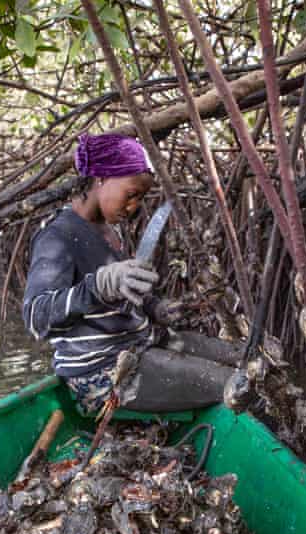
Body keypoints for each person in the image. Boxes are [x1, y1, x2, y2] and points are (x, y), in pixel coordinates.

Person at [22, 133, 239, 416]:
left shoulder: (111, 230)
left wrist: (156, 307)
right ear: (101, 178)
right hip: (102, 373)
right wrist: (98, 286)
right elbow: (36, 317)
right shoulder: (57, 236)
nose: (134, 206)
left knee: (241, 356)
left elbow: (124, 298)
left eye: (141, 198)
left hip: (142, 344)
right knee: (237, 384)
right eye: (131, 194)